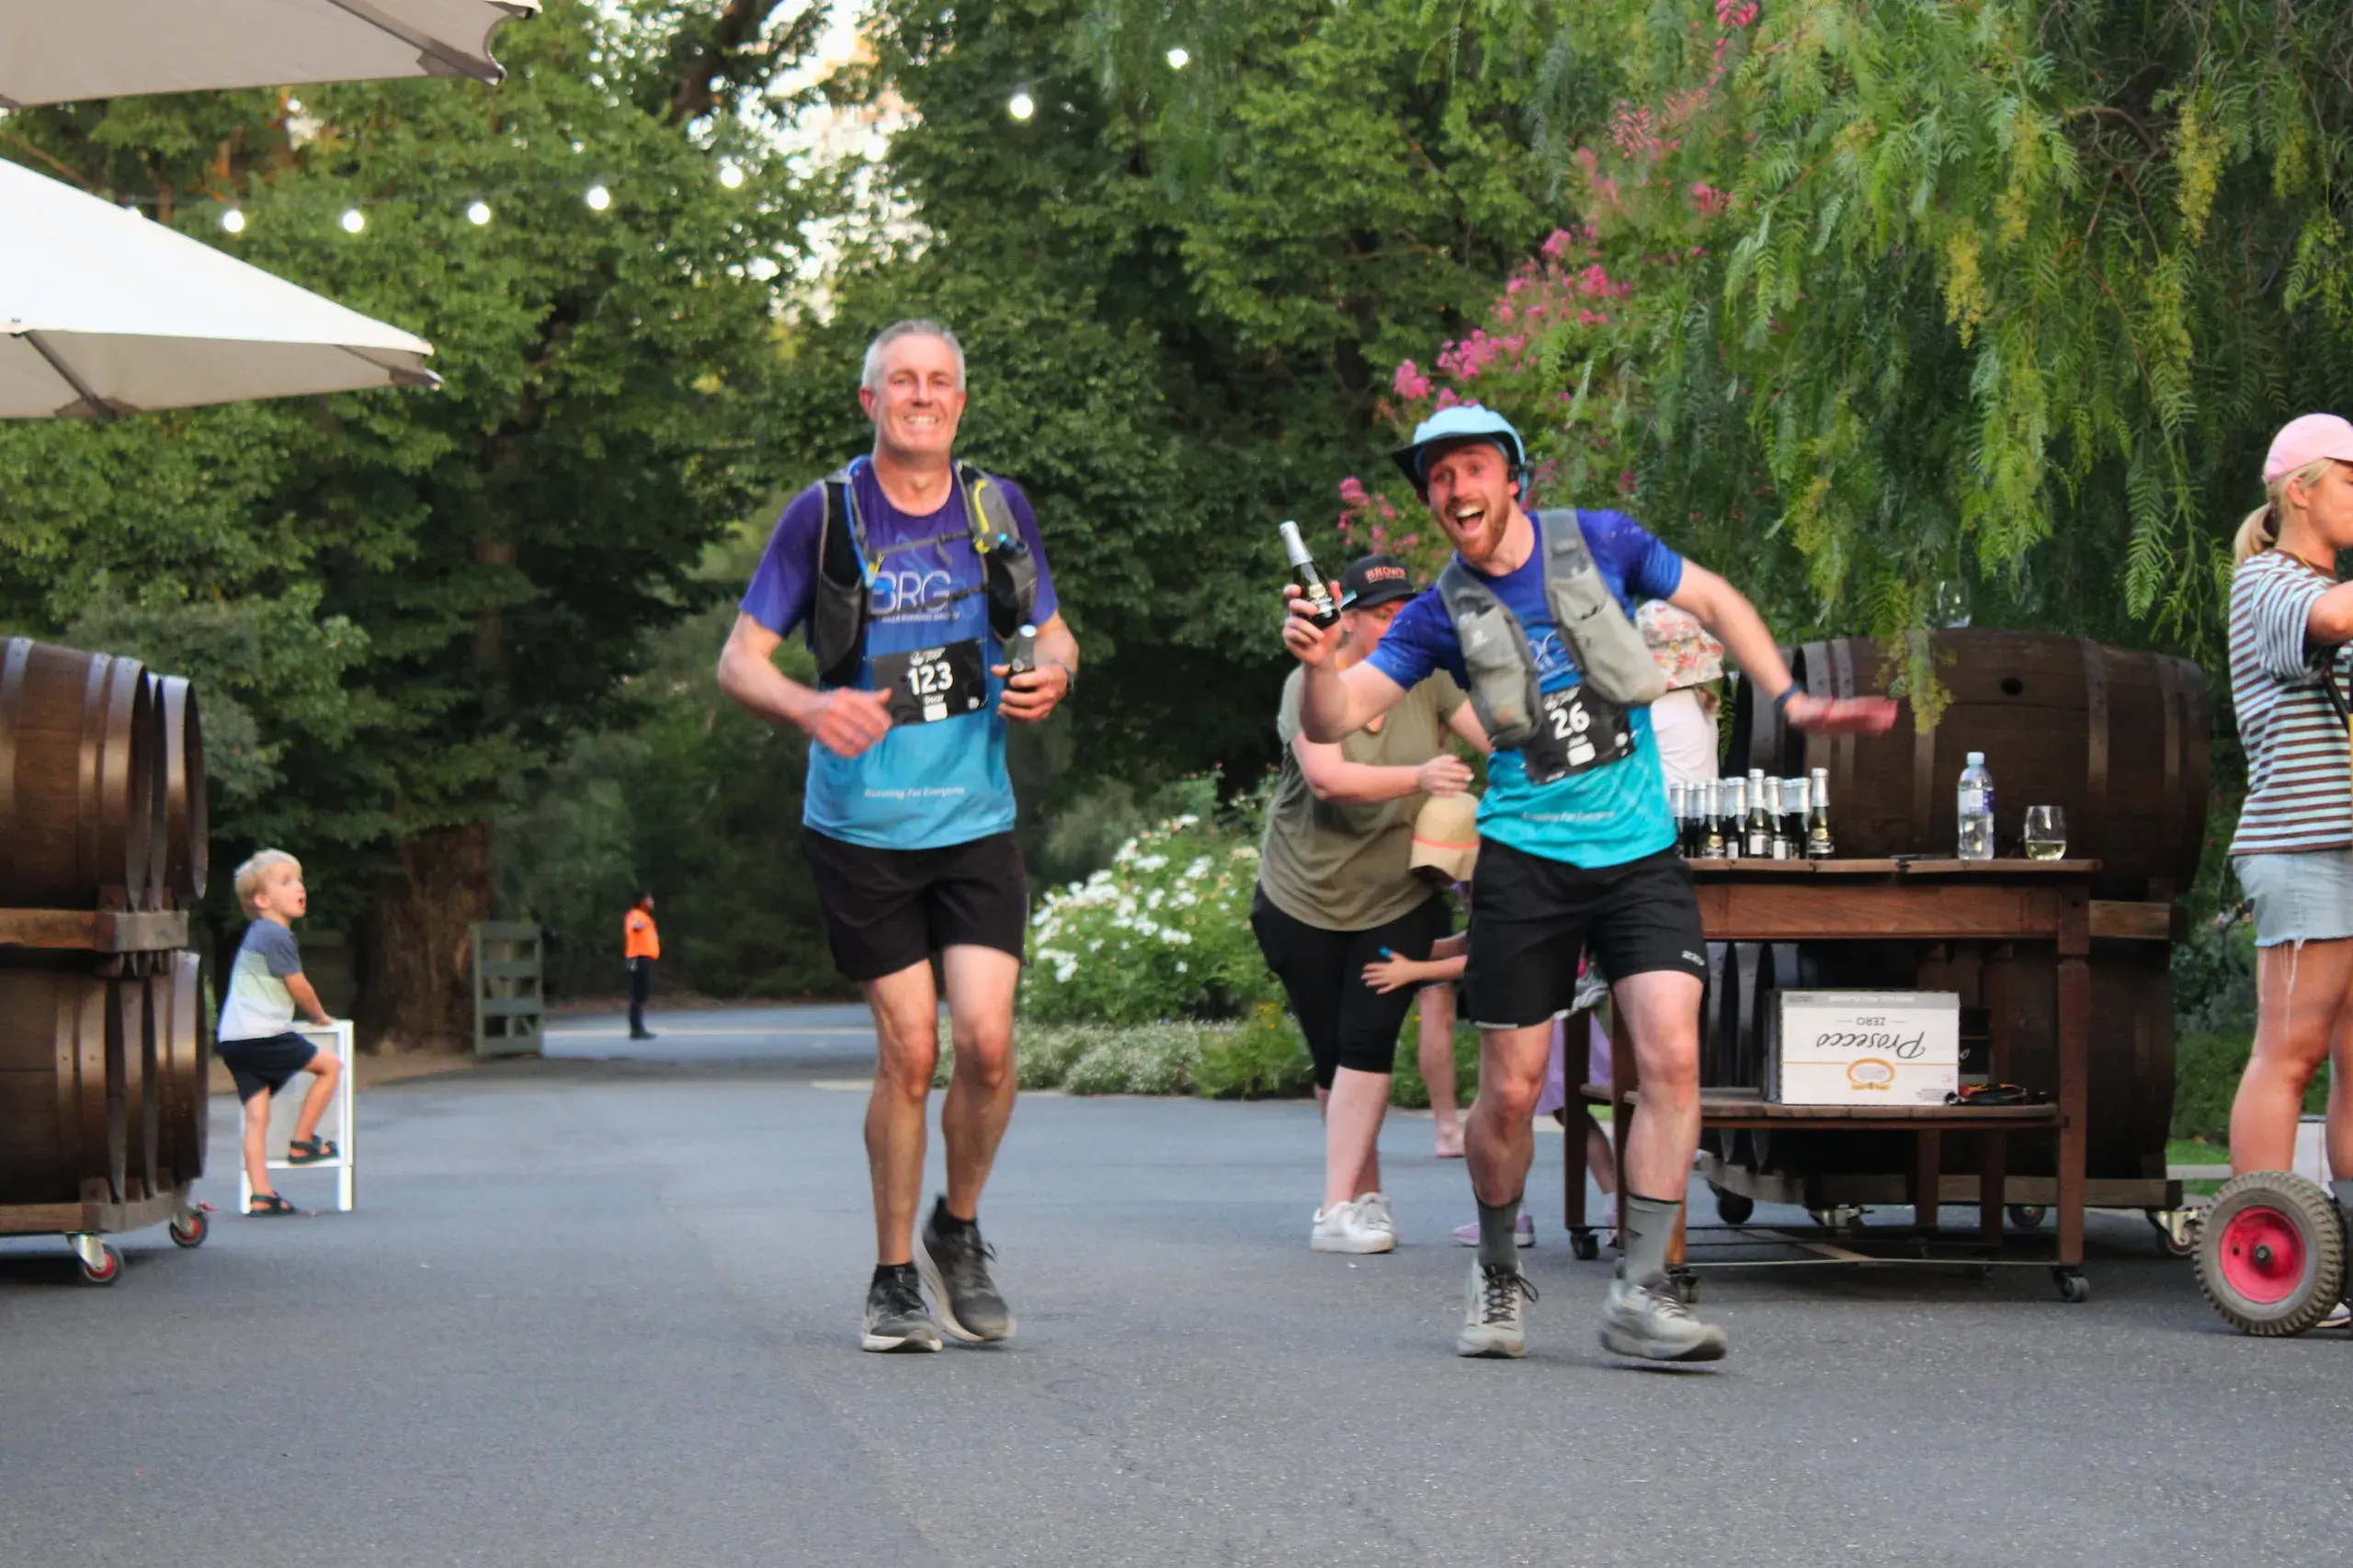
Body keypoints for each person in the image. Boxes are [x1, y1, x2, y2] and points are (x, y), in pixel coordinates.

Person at [1281, 403, 1893, 1362]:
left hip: (1638, 852)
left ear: (1512, 477)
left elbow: (1717, 600)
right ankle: (1493, 1273)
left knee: (1671, 1059)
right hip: (1526, 860)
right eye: (1436, 478)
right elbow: (1335, 717)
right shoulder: (1440, 609)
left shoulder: (1602, 540)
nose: (1453, 490)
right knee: (1516, 1091)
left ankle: (1641, 1288)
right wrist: (1321, 664)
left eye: (1470, 468)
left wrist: (1790, 694)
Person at [717, 319, 1076, 1354]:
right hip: (862, 824)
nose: (922, 396)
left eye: (940, 382)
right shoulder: (822, 514)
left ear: (960, 401)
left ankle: (955, 1230)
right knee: (911, 1046)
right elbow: (739, 661)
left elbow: (1053, 630)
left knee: (993, 1045)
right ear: (868, 401)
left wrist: (1054, 671)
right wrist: (806, 709)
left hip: (972, 818)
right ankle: (889, 1278)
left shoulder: (994, 507)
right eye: (902, 383)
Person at [1253, 553, 1488, 1253]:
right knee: (1333, 1059)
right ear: (1345, 620)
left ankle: (1333, 1213)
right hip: (1302, 897)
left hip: (1400, 896)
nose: (1397, 622)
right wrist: (1418, 774)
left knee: (1367, 1041)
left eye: (1404, 611)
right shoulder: (1309, 687)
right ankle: (1367, 1195)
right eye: (1383, 612)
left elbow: (1498, 737)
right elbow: (1328, 779)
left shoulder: (1433, 677)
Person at [2223, 415, 2353, 1229]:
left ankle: (2338, 1260)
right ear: (2299, 491)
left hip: (2345, 846)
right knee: (2291, 1053)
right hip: (2300, 850)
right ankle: (2263, 1250)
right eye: (2352, 481)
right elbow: (2333, 624)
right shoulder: (2268, 583)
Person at [214, 850, 343, 1218]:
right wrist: (318, 1015)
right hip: (263, 1035)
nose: (299, 887)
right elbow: (298, 986)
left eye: (298, 880)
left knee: (257, 1117)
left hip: (234, 1039)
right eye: (286, 882)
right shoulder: (275, 935)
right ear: (263, 900)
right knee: (330, 1067)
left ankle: (261, 1194)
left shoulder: (257, 935)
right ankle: (303, 1142)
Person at [624, 890, 660, 1041]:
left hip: (646, 958)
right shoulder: (634, 914)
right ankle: (636, 1029)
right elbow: (635, 927)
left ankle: (639, 1027)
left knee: (642, 993)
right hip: (638, 958)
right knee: (638, 993)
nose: (652, 901)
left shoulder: (646, 917)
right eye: (649, 898)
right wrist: (646, 923)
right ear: (641, 901)